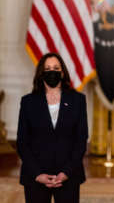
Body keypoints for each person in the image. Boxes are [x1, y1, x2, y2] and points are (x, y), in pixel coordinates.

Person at [16, 52, 88, 203]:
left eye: (56, 68)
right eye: (47, 68)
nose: (52, 72)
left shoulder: (78, 100)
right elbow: (22, 142)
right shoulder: (28, 102)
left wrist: (66, 172)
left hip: (68, 175)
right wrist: (37, 174)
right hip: (36, 176)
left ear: (62, 73)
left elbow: (81, 140)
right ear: (41, 73)